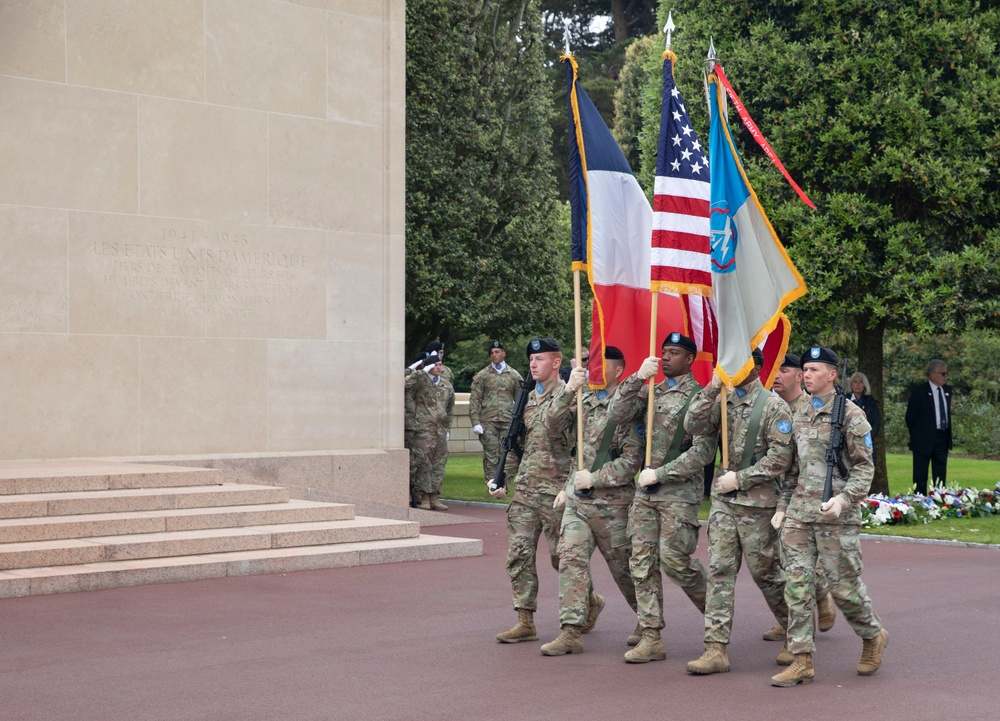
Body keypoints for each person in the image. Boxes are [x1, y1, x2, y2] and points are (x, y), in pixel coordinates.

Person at [772, 346, 887, 687]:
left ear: (833, 375)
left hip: (836, 516)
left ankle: (871, 635)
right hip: (799, 515)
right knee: (797, 587)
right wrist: (782, 507)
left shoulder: (851, 415)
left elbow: (865, 469)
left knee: (844, 589)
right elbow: (791, 469)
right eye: (804, 369)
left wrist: (844, 500)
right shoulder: (796, 412)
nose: (806, 375)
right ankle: (801, 659)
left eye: (814, 370)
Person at [684, 352, 795, 675]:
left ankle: (795, 631)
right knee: (719, 571)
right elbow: (692, 424)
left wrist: (742, 478)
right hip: (724, 503)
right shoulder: (723, 400)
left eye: (738, 363)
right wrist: (711, 388)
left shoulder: (774, 407)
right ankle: (715, 649)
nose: (731, 368)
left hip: (757, 505)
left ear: (757, 368)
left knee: (767, 574)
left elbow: (780, 459)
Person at [607, 332, 715, 663]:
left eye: (674, 353)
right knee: (641, 560)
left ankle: (717, 613)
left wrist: (663, 473)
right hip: (646, 491)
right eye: (664, 352)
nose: (666, 357)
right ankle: (651, 634)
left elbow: (705, 449)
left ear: (690, 360)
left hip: (679, 491)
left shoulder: (700, 397)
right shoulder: (650, 391)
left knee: (675, 561)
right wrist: (637, 377)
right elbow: (617, 413)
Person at [539, 346, 642, 656]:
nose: (593, 368)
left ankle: (648, 620)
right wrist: (569, 389)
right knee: (569, 559)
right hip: (579, 503)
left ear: (619, 370)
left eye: (600, 363)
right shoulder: (582, 399)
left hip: (614, 504)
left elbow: (631, 461)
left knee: (624, 570)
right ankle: (571, 630)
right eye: (591, 362)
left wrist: (595, 479)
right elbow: (552, 423)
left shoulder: (631, 408)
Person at [491, 339, 574, 644]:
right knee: (519, 554)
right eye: (531, 360)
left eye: (539, 359)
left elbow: (584, 448)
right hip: (526, 491)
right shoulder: (525, 399)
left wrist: (570, 486)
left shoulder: (572, 397)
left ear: (556, 362)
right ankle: (525, 619)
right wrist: (502, 478)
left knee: (561, 558)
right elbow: (515, 447)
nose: (533, 364)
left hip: (555, 492)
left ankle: (588, 602)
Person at [768, 353, 837, 638]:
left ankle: (819, 599)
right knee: (775, 559)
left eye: (783, 370)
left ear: (797, 376)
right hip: (772, 490)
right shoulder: (771, 406)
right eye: (774, 369)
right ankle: (790, 620)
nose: (776, 376)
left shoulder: (809, 407)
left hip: (801, 493)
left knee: (794, 560)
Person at [468, 341, 523, 485]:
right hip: (489, 422)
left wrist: (521, 421)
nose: (494, 355)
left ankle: (503, 486)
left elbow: (520, 399)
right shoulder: (483, 375)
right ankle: (491, 485)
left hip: (507, 421)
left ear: (503, 353)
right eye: (492, 353)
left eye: (497, 352)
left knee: (506, 454)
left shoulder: (513, 375)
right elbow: (475, 400)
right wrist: (475, 422)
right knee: (491, 456)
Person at [405, 352, 453, 511]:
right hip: (424, 430)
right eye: (435, 365)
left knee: (439, 464)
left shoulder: (446, 385)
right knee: (424, 463)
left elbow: (450, 408)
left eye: (440, 365)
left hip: (440, 430)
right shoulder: (420, 381)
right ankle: (424, 497)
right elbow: (403, 384)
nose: (439, 367)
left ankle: (434, 496)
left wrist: (448, 428)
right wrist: (421, 371)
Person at [905, 360, 952, 495]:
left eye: (946, 373)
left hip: (942, 436)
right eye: (943, 373)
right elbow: (910, 417)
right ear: (932, 375)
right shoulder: (919, 392)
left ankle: (939, 499)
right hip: (923, 438)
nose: (945, 376)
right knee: (920, 473)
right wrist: (918, 434)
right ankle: (920, 500)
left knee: (940, 472)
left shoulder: (947, 391)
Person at [848, 372, 882, 438]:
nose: (858, 385)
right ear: (851, 385)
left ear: (865, 385)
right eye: (855, 382)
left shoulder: (871, 402)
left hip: (867, 439)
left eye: (861, 382)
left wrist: (869, 437)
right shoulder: (845, 401)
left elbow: (876, 423)